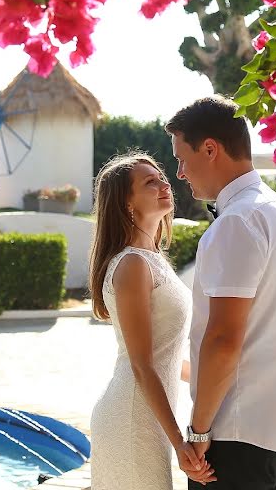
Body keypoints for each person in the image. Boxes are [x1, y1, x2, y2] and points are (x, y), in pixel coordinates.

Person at [166, 96, 276, 489]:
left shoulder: (237, 222)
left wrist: (197, 433)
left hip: (236, 437)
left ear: (210, 149)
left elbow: (223, 339)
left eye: (182, 157)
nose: (180, 172)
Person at [89, 151, 214, 489]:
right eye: (149, 182)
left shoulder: (152, 259)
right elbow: (143, 365)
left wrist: (219, 377)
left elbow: (166, 356)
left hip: (148, 416)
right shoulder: (132, 265)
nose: (164, 184)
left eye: (160, 177)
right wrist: (180, 443)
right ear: (127, 204)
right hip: (132, 417)